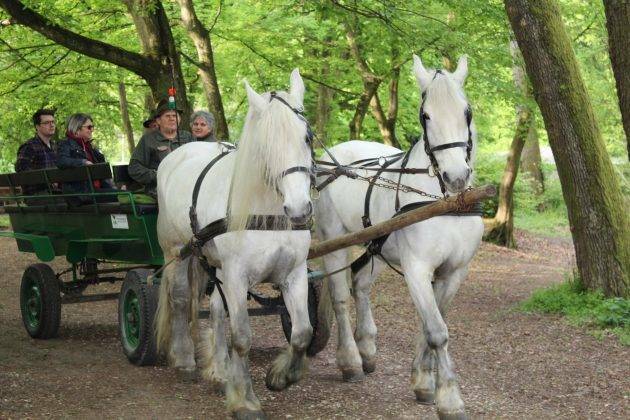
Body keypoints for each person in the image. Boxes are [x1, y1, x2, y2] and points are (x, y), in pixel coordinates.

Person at [128, 99, 194, 197]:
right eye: (167, 116)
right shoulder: (148, 139)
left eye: (175, 116)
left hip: (188, 186)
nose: (172, 119)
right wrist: (157, 175)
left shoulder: (188, 137)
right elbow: (134, 168)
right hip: (159, 190)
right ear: (158, 120)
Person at [56, 113, 117, 204]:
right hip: (82, 194)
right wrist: (83, 162)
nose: (92, 130)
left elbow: (102, 172)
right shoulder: (66, 144)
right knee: (125, 196)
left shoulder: (89, 147)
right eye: (89, 127)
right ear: (77, 128)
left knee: (125, 194)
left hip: (94, 191)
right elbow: (62, 161)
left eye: (92, 127)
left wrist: (112, 188)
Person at [15, 108, 58, 197]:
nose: (52, 125)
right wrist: (48, 181)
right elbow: (21, 169)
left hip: (55, 193)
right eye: (47, 123)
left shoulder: (54, 145)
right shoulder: (29, 146)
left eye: (53, 122)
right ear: (37, 126)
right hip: (37, 195)